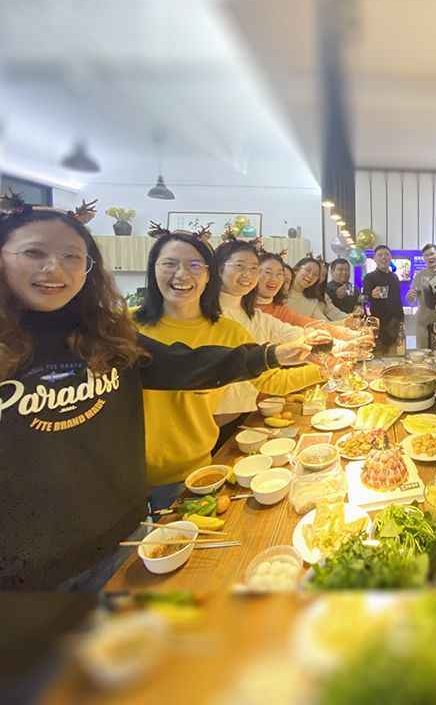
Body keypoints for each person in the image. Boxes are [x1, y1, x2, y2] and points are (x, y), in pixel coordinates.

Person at [0, 207, 312, 591]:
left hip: (126, 523)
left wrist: (278, 355)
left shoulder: (105, 333)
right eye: (33, 253)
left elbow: (186, 365)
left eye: (71, 256)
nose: (54, 268)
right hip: (26, 564)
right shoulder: (124, 322)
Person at [133, 233, 322, 511]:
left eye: (195, 266)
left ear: (208, 274)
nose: (182, 274)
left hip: (192, 470)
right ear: (153, 269)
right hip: (121, 474)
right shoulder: (119, 327)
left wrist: (324, 370)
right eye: (170, 264)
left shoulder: (229, 330)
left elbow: (270, 378)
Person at [213, 241, 325, 440]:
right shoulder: (207, 316)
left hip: (242, 416)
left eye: (253, 268)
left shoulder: (256, 316)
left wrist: (336, 348)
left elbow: (294, 335)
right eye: (240, 266)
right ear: (217, 268)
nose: (248, 274)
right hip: (207, 424)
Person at [256, 253, 353, 339]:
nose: (310, 276)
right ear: (297, 270)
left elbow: (320, 323)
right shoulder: (277, 298)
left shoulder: (313, 301)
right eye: (307, 270)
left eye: (316, 275)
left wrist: (345, 327)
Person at [363, 244, 404, 354]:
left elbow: (398, 299)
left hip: (396, 323)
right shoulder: (370, 277)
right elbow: (364, 297)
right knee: (380, 354)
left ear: (390, 258)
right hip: (379, 325)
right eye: (380, 255)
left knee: (397, 353)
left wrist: (402, 319)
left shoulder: (394, 277)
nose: (383, 257)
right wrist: (371, 294)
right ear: (374, 259)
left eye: (386, 255)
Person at [406, 243, 436, 349]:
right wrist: (410, 295)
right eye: (426, 255)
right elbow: (411, 300)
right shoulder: (420, 275)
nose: (429, 258)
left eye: (432, 254)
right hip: (423, 322)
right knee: (422, 352)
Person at [285, 257, 349, 323]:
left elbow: (325, 323)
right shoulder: (282, 292)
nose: (310, 276)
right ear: (298, 269)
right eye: (308, 270)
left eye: (315, 274)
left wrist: (349, 320)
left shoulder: (312, 302)